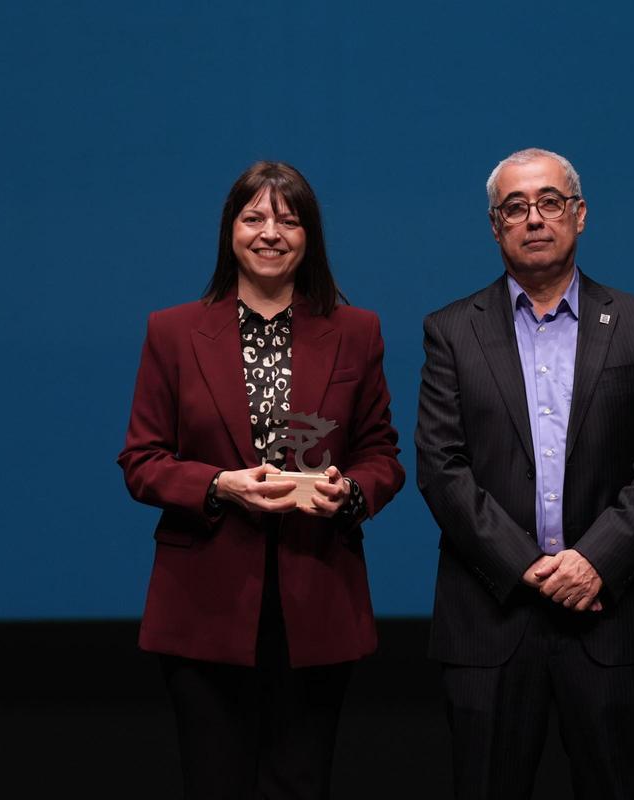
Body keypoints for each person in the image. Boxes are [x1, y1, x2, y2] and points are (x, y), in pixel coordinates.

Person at [117, 161, 404, 799]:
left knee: (300, 784)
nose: (270, 232)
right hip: (203, 603)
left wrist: (350, 493)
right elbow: (142, 461)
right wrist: (220, 485)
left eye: (288, 218)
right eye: (253, 218)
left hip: (317, 595)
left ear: (310, 236)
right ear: (230, 232)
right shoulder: (172, 332)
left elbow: (380, 453)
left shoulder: (356, 332)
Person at [415, 148, 634, 800]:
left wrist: (594, 561)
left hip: (608, 617)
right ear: (494, 225)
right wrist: (529, 565)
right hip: (490, 622)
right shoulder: (451, 331)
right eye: (515, 207)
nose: (533, 218)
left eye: (550, 202)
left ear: (580, 214)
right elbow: (441, 466)